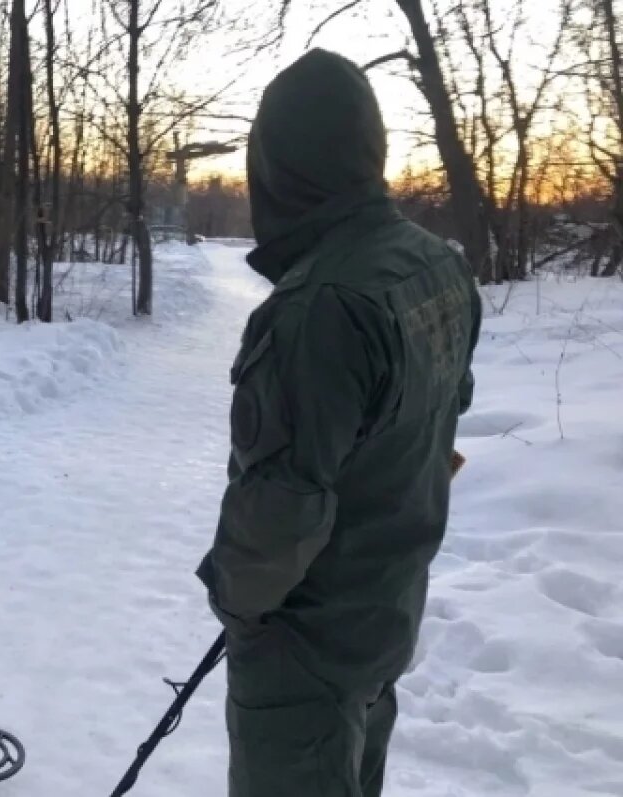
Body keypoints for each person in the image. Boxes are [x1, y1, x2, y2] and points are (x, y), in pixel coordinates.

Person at [195, 49, 482, 797]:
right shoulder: (433, 264)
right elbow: (441, 419)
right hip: (382, 614)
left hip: (309, 645)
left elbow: (281, 510)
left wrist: (237, 602)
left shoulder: (317, 309)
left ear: (279, 167)